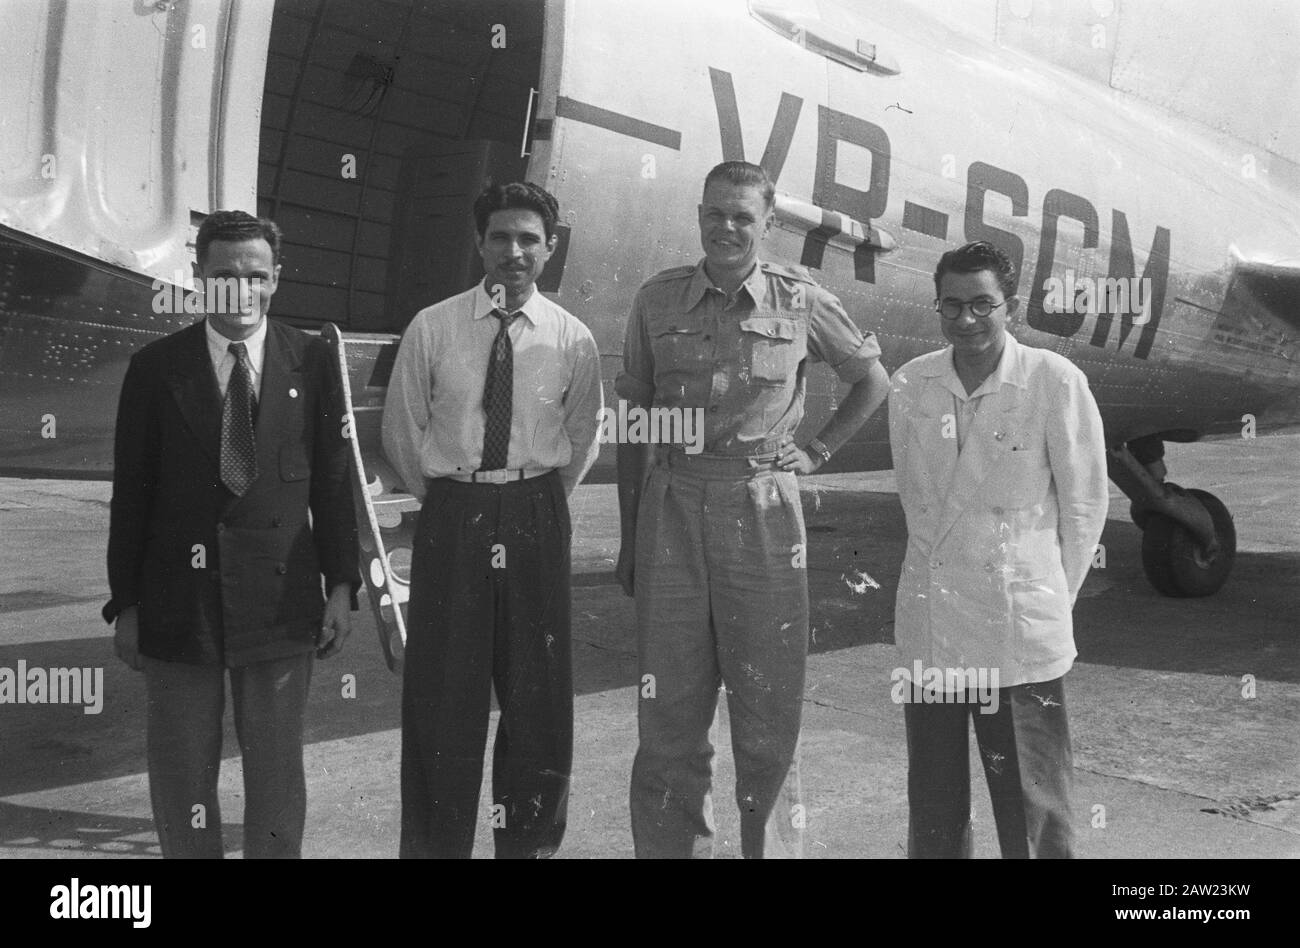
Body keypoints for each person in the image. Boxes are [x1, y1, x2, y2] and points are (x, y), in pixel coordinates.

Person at [615, 160, 891, 858]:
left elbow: (871, 379)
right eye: (715, 213)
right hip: (672, 506)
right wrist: (630, 539)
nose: (727, 227)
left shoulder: (799, 299)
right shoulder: (657, 301)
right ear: (700, 215)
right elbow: (636, 422)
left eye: (743, 216)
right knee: (668, 717)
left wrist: (820, 452)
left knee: (767, 714)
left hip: (763, 507)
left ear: (768, 224)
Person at [104, 209, 359, 858]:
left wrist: (342, 586)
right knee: (183, 773)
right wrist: (126, 605)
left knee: (276, 776)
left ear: (275, 280)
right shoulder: (156, 368)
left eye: (254, 277)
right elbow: (130, 497)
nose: (239, 292)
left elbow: (333, 484)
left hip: (278, 601)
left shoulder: (312, 360)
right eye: (223, 276)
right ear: (198, 278)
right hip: (177, 604)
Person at [382, 180, 602, 859]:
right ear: (480, 243)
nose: (514, 250)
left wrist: (527, 496)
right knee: (443, 699)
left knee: (538, 701)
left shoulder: (573, 339)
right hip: (456, 514)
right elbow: (402, 430)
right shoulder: (433, 326)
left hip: (536, 509)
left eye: (529, 239)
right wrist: (461, 496)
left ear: (550, 248)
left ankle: (527, 849)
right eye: (501, 236)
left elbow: (583, 438)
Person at [887, 240, 1109, 858]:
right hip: (933, 624)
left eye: (983, 305)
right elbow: (919, 507)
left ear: (1008, 306)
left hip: (1017, 631)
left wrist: (1041, 597)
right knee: (934, 804)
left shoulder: (1053, 382)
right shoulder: (911, 384)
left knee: (1033, 811)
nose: (966, 320)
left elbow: (1085, 508)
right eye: (952, 305)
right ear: (937, 308)